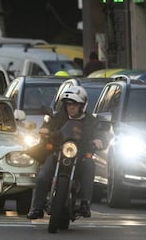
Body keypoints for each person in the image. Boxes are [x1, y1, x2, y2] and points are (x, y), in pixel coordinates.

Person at [26, 85, 106, 219]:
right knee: (43, 174)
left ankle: (85, 203)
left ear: (82, 105)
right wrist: (45, 130)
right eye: (68, 104)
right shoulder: (58, 117)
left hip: (80, 154)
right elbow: (48, 126)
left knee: (89, 165)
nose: (71, 107)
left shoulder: (91, 120)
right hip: (59, 151)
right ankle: (37, 208)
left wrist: (99, 140)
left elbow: (99, 133)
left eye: (75, 104)